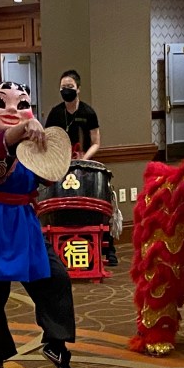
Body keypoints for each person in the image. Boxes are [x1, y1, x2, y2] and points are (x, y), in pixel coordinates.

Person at [0, 80, 77, 368]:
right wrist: (27, 126)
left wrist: (49, 152)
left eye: (22, 104)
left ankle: (55, 344)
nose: (13, 109)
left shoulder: (31, 144)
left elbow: (50, 175)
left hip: (24, 220)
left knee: (54, 278)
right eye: (0, 102)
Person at [44, 70, 117, 265]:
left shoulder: (88, 112)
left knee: (96, 202)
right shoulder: (55, 113)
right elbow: (49, 139)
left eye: (70, 87)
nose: (66, 90)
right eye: (63, 87)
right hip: (61, 165)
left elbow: (96, 142)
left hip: (85, 164)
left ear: (78, 89)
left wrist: (84, 158)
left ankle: (108, 247)